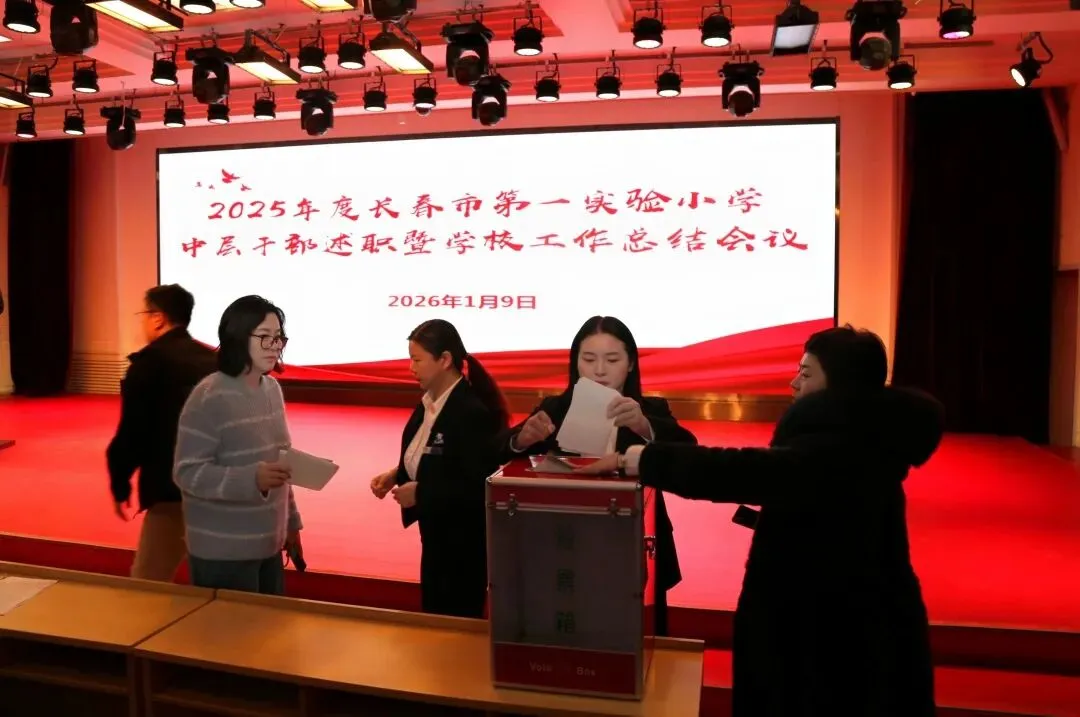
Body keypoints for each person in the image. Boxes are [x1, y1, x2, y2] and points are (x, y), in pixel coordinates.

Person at [580, 325, 943, 716]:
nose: (793, 383)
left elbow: (743, 471)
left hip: (835, 640)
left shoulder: (845, 448)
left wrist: (636, 459)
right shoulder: (863, 438)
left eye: (806, 373)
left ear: (840, 386)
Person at [502, 315, 697, 635]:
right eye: (589, 359)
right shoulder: (554, 408)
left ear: (631, 363)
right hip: (563, 542)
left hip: (632, 542)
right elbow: (497, 452)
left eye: (612, 359)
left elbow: (688, 452)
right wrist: (521, 439)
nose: (600, 370)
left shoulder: (651, 410)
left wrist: (644, 426)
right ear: (575, 362)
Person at [369, 319, 509, 618]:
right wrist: (397, 474)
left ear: (445, 359)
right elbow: (433, 457)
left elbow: (477, 485)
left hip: (462, 544)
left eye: (417, 360)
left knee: (453, 620)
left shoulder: (470, 413)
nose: (411, 368)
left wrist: (421, 493)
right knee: (433, 614)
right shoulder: (431, 402)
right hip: (436, 536)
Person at [173, 295, 303, 595]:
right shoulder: (210, 396)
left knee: (269, 623)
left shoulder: (271, 389)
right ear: (238, 337)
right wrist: (251, 478)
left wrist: (291, 523)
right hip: (223, 551)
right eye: (264, 337)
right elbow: (187, 473)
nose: (275, 346)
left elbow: (281, 462)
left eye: (278, 337)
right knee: (232, 626)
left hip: (268, 544)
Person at [106, 284, 216, 581]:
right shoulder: (214, 362)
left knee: (148, 582)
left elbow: (133, 433)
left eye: (143, 314)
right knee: (217, 580)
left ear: (158, 318)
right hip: (218, 485)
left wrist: (120, 483)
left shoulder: (149, 364)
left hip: (172, 486)